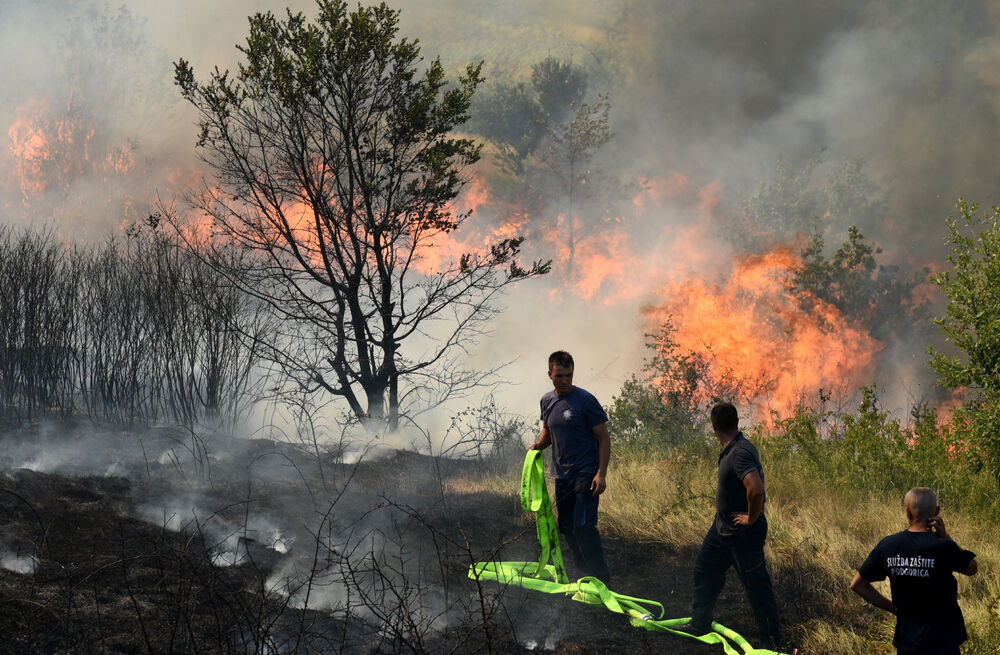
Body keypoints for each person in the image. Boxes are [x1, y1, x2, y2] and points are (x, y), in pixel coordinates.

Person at [679, 402, 780, 647]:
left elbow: (756, 491)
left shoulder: (739, 453)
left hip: (742, 533)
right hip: (722, 529)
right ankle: (700, 622)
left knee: (756, 587)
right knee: (704, 570)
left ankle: (772, 643)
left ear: (714, 426)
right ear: (736, 422)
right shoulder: (731, 448)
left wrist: (751, 518)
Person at [851, 487, 978, 655]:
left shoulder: (888, 546)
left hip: (907, 643)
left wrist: (894, 609)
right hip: (943, 642)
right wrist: (945, 536)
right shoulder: (943, 547)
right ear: (937, 512)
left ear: (908, 513)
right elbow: (972, 568)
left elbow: (857, 584)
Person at [530, 350, 612, 583]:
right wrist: (537, 446)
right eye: (559, 376)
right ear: (550, 375)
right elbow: (548, 433)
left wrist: (601, 474)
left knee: (584, 527)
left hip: (586, 473)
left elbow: (603, 438)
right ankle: (584, 572)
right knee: (565, 528)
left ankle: (602, 578)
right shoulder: (547, 401)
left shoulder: (586, 401)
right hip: (561, 474)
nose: (565, 381)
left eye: (568, 375)